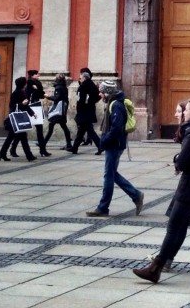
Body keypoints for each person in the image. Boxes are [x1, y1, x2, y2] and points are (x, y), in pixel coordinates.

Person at [132, 99, 190, 286]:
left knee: (174, 226)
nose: (184, 114)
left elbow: (183, 162)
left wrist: (177, 161)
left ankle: (155, 269)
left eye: (187, 111)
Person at [86, 80, 144, 217]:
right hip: (115, 144)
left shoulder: (116, 105)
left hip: (114, 144)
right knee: (112, 174)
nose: (100, 94)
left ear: (107, 92)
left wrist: (104, 140)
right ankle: (135, 195)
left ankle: (103, 208)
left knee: (109, 176)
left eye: (101, 91)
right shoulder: (114, 102)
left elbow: (116, 129)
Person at [0, 76, 36, 162]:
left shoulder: (22, 92)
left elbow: (25, 106)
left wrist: (32, 113)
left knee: (11, 138)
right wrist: (22, 103)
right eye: (25, 83)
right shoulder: (16, 93)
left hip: (19, 118)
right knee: (22, 138)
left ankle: (2, 154)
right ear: (23, 84)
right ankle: (29, 156)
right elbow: (12, 105)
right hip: (16, 119)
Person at [71, 67, 102, 153]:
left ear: (84, 78)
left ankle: (100, 146)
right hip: (89, 110)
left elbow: (81, 100)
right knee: (82, 130)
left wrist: (79, 107)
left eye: (80, 77)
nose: (79, 78)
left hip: (83, 111)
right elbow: (97, 96)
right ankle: (74, 148)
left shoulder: (83, 87)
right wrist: (91, 102)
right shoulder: (91, 84)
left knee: (89, 130)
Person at [42, 72, 72, 152]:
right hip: (62, 109)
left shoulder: (58, 87)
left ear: (57, 79)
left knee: (52, 126)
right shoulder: (64, 86)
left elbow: (56, 98)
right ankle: (69, 144)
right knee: (63, 127)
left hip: (58, 110)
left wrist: (48, 97)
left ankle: (43, 143)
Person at [26, 69, 50, 156]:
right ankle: (43, 150)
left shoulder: (34, 83)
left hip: (35, 107)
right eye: (37, 74)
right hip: (31, 108)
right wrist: (43, 94)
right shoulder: (30, 83)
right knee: (22, 132)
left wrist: (42, 93)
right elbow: (36, 93)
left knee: (39, 129)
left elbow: (38, 92)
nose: (38, 76)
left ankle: (43, 150)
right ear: (33, 75)